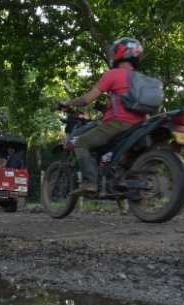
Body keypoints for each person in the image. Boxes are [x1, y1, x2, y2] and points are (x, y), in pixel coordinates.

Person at [63, 37, 146, 194]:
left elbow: (87, 99)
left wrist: (69, 103)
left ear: (118, 54)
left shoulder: (113, 74)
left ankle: (90, 183)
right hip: (139, 127)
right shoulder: (141, 78)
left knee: (80, 143)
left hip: (116, 125)